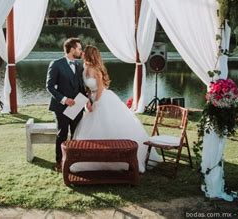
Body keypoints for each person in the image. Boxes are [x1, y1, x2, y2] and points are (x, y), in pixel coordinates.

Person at [71, 45, 159, 173]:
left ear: (89, 54)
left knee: (109, 126)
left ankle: (120, 157)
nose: (82, 53)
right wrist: (88, 101)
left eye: (84, 52)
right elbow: (88, 89)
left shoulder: (96, 70)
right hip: (92, 98)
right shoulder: (84, 68)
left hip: (102, 99)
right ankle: (92, 156)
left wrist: (95, 102)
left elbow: (100, 88)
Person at [46, 38, 88, 172]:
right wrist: (64, 99)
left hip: (77, 105)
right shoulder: (56, 64)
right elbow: (49, 86)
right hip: (61, 106)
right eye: (79, 49)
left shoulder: (79, 65)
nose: (81, 51)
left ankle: (74, 160)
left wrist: (86, 100)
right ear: (72, 49)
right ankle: (59, 161)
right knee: (62, 134)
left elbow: (81, 86)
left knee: (76, 134)